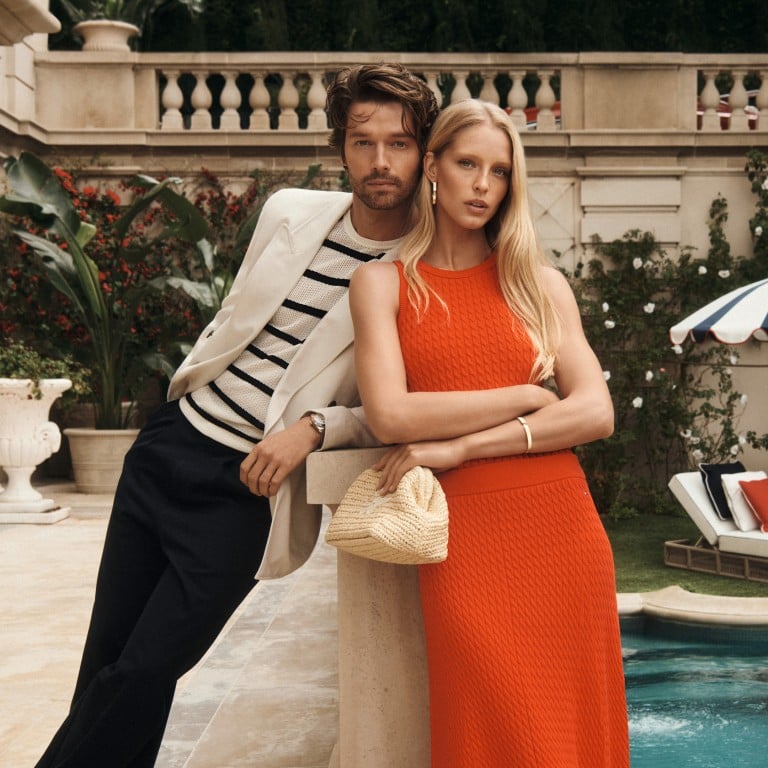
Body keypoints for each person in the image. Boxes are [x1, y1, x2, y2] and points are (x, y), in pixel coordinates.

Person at [34, 63, 439, 768]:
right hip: (172, 444)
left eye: (399, 143)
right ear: (339, 145)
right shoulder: (288, 211)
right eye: (362, 141)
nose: (380, 162)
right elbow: (235, 318)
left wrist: (315, 428)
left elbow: (401, 404)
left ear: (424, 151)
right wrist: (179, 404)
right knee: (104, 669)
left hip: (248, 488)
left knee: (145, 670)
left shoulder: (426, 268)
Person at [349, 99, 629, 767]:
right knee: (489, 715)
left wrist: (464, 445)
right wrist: (530, 398)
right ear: (434, 169)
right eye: (468, 163)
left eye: (499, 172)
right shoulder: (381, 284)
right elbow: (391, 414)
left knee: (570, 731)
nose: (482, 184)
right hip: (465, 542)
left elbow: (595, 413)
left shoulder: (540, 283)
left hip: (562, 529)